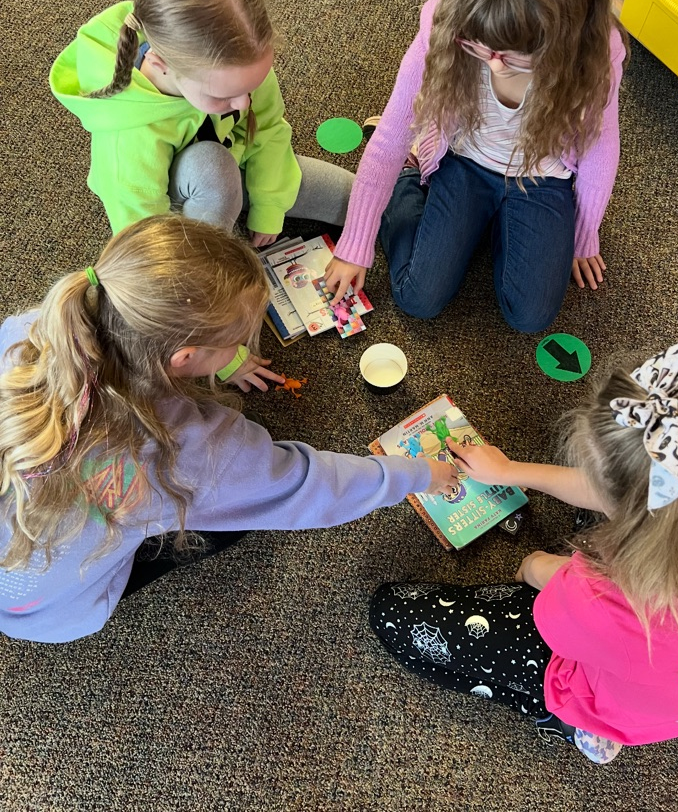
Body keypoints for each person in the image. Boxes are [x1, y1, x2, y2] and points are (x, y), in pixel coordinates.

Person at [0, 216, 457, 643]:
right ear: (184, 359)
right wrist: (418, 475)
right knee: (228, 518)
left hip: (24, 577)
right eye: (236, 343)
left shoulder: (26, 333)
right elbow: (310, 486)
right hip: (58, 608)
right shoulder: (197, 450)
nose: (241, 348)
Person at [370, 343, 678, 763]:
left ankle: (573, 721)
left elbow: (540, 575)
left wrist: (533, 566)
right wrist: (510, 472)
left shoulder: (603, 598)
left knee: (391, 614)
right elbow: (620, 495)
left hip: (612, 688)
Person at [325, 0, 628, 331]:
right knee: (417, 297)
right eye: (479, 46)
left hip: (543, 179)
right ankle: (411, 182)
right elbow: (392, 133)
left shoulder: (599, 51)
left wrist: (584, 234)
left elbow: (601, 146)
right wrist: (356, 242)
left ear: (563, 37)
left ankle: (494, 221)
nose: (492, 64)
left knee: (531, 317)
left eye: (513, 57)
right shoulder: (447, 19)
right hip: (463, 162)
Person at [50, 0, 354, 246]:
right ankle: (212, 242)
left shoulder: (239, 63)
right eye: (224, 96)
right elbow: (147, 240)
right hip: (171, 201)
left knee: (358, 197)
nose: (244, 103)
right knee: (212, 167)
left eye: (249, 88)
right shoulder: (127, 141)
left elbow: (269, 130)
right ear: (161, 65)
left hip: (235, 163)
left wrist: (270, 206)